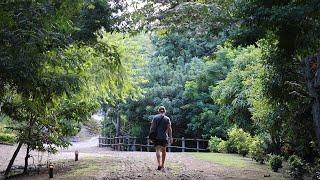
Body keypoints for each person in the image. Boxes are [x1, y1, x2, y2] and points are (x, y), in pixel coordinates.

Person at [149, 106, 173, 170]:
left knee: (157, 150)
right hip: (164, 137)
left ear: (159, 111)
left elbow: (152, 128)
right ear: (165, 111)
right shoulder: (167, 119)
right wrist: (170, 137)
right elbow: (169, 129)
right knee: (164, 151)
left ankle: (159, 164)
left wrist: (150, 137)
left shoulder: (155, 118)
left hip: (156, 137)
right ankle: (162, 165)